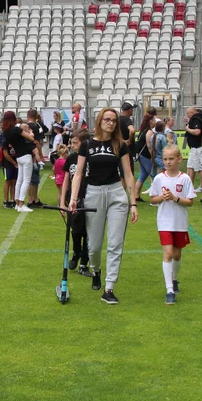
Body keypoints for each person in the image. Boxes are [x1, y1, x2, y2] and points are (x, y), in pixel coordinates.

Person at [68, 107, 139, 304]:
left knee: (115, 243)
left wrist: (133, 202)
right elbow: (79, 173)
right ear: (99, 121)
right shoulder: (87, 145)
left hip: (116, 192)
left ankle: (109, 288)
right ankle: (96, 269)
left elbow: (128, 174)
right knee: (94, 246)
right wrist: (73, 198)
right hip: (93, 193)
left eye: (114, 120)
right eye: (107, 119)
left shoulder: (120, 145)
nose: (111, 123)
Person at [150, 144, 195, 305]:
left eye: (171, 159)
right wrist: (162, 197)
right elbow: (152, 199)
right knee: (168, 253)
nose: (168, 162)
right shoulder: (159, 178)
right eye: (165, 159)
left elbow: (189, 202)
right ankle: (169, 290)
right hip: (164, 222)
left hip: (180, 222)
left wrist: (175, 198)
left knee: (177, 254)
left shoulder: (185, 179)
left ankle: (174, 279)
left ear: (179, 159)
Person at [59, 129, 91, 277]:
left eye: (75, 143)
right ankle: (76, 252)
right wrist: (62, 202)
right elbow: (66, 180)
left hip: (89, 199)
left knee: (89, 234)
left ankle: (84, 264)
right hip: (74, 200)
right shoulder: (71, 158)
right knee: (76, 231)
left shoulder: (91, 158)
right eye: (71, 142)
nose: (72, 145)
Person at [3, 111, 37, 213]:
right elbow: (31, 138)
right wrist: (30, 133)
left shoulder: (6, 132)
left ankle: (18, 203)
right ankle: (21, 203)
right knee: (26, 180)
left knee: (19, 180)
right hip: (25, 155)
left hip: (18, 156)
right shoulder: (16, 130)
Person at [25, 109, 47, 207]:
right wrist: (41, 155)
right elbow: (37, 142)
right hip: (33, 154)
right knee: (33, 178)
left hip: (26, 153)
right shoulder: (35, 126)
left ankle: (34, 199)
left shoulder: (25, 126)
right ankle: (31, 200)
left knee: (35, 178)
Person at [132, 111, 155, 202]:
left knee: (143, 175)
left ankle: (136, 195)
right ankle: (154, 196)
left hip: (141, 155)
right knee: (153, 175)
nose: (154, 121)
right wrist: (152, 156)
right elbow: (149, 145)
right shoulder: (149, 132)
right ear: (150, 121)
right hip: (146, 156)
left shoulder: (142, 131)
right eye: (153, 119)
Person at [184, 106, 202, 186]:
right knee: (190, 166)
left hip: (198, 147)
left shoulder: (196, 119)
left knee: (199, 168)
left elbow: (197, 131)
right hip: (194, 147)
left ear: (191, 113)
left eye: (187, 113)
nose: (187, 115)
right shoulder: (200, 118)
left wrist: (188, 129)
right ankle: (189, 186)